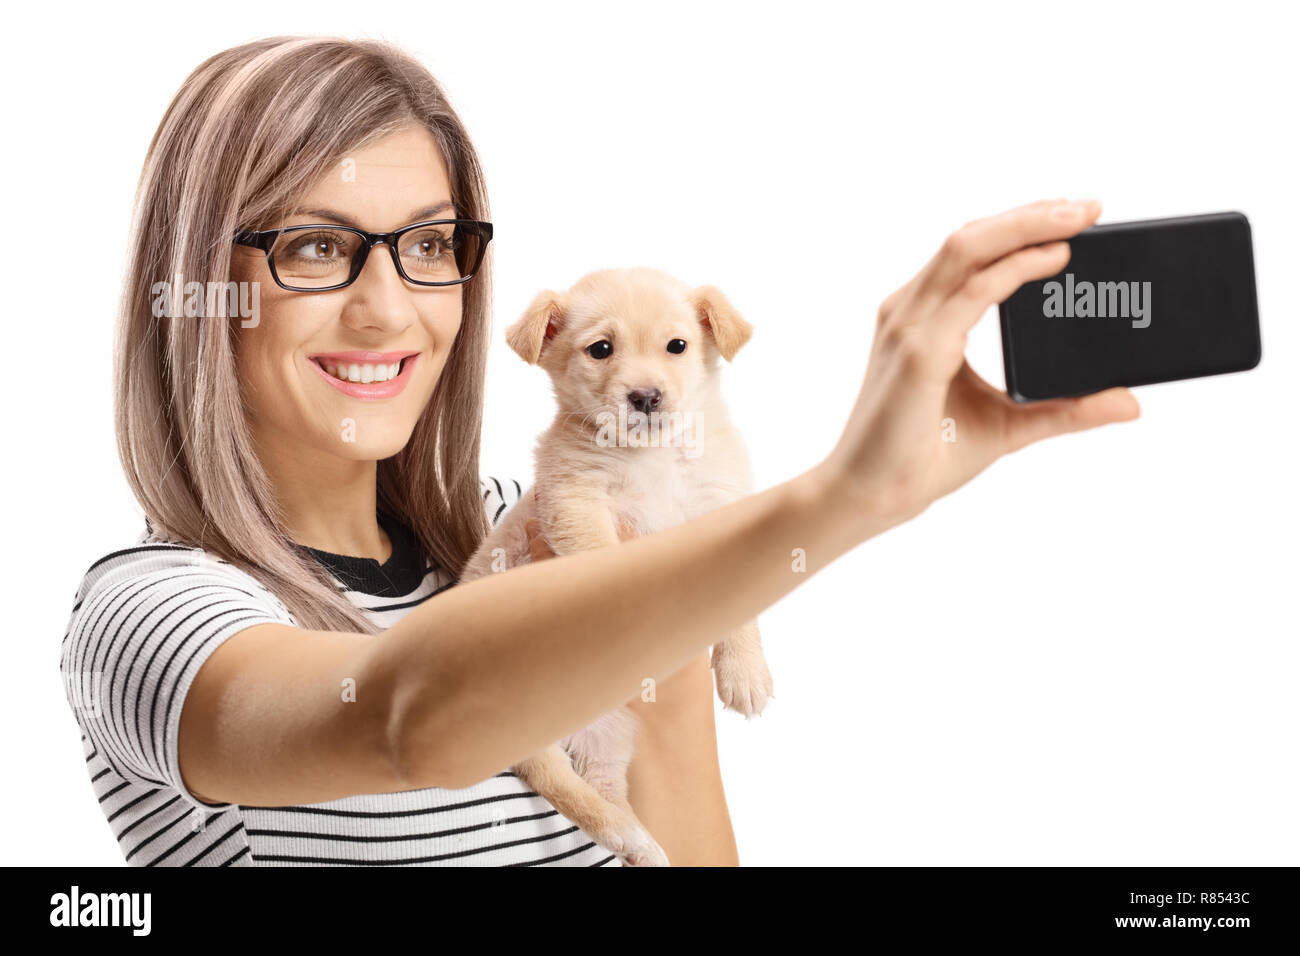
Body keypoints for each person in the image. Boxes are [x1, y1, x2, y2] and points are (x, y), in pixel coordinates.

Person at [59, 35, 1139, 867]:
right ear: (196, 285)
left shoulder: (508, 514)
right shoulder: (149, 613)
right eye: (312, 246)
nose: (388, 308)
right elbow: (406, 717)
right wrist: (837, 500)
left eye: (431, 245)